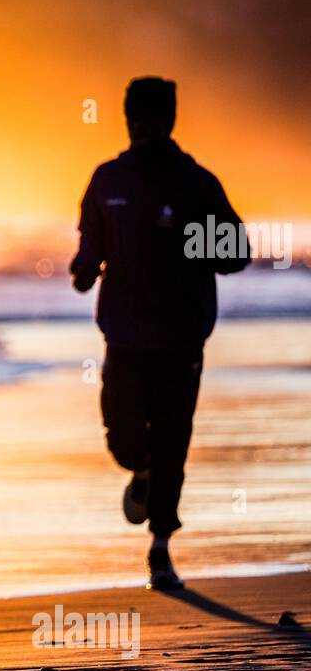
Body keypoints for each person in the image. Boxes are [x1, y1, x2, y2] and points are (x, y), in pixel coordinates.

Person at [70, 77, 248, 590]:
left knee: (173, 440)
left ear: (170, 120)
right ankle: (140, 469)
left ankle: (161, 548)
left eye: (153, 115)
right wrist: (83, 270)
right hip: (123, 336)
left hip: (181, 337)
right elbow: (90, 245)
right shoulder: (107, 181)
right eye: (136, 115)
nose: (144, 124)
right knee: (123, 437)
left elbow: (236, 253)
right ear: (126, 119)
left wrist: (188, 243)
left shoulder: (197, 184)